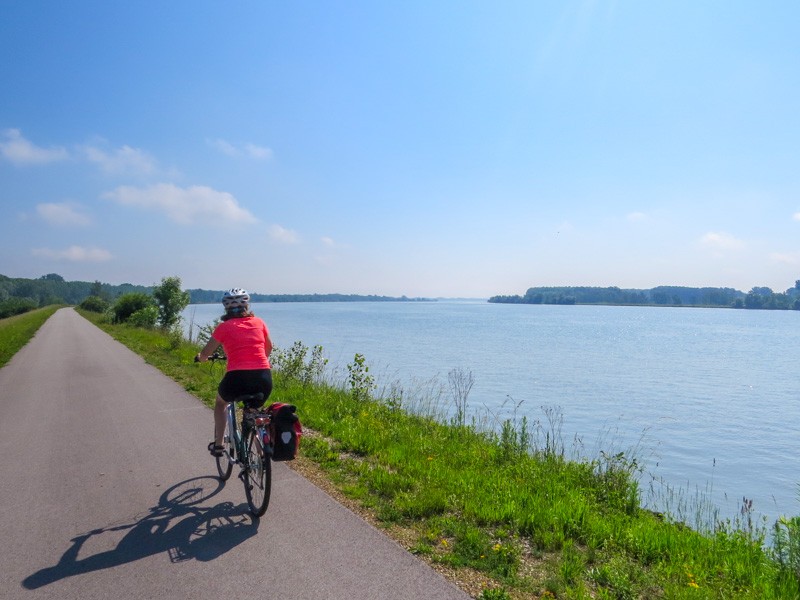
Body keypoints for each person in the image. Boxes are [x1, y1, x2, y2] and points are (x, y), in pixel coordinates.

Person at [195, 288, 273, 456]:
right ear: (247, 305)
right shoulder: (259, 322)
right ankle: (261, 456)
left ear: (226, 308)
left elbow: (206, 353)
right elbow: (269, 348)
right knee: (253, 411)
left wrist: (201, 358)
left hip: (236, 379)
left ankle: (219, 444)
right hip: (263, 377)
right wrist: (259, 361)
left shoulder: (224, 327)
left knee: (221, 403)